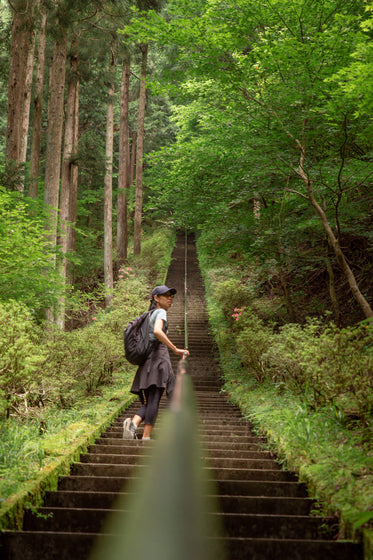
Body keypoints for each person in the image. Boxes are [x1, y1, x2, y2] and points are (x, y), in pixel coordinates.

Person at [123, 285, 189, 441]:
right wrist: (175, 349)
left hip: (148, 363)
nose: (170, 298)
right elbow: (158, 331)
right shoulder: (160, 312)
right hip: (159, 360)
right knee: (156, 399)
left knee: (153, 399)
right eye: (165, 295)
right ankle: (145, 436)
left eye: (170, 295)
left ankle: (133, 425)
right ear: (156, 299)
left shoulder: (148, 315)